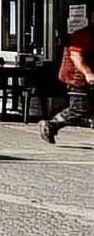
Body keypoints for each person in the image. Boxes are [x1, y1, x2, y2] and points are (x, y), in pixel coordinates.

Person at [41, 10, 92, 144]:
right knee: (79, 108)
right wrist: (88, 73)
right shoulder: (83, 35)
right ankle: (51, 124)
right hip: (77, 76)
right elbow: (76, 56)